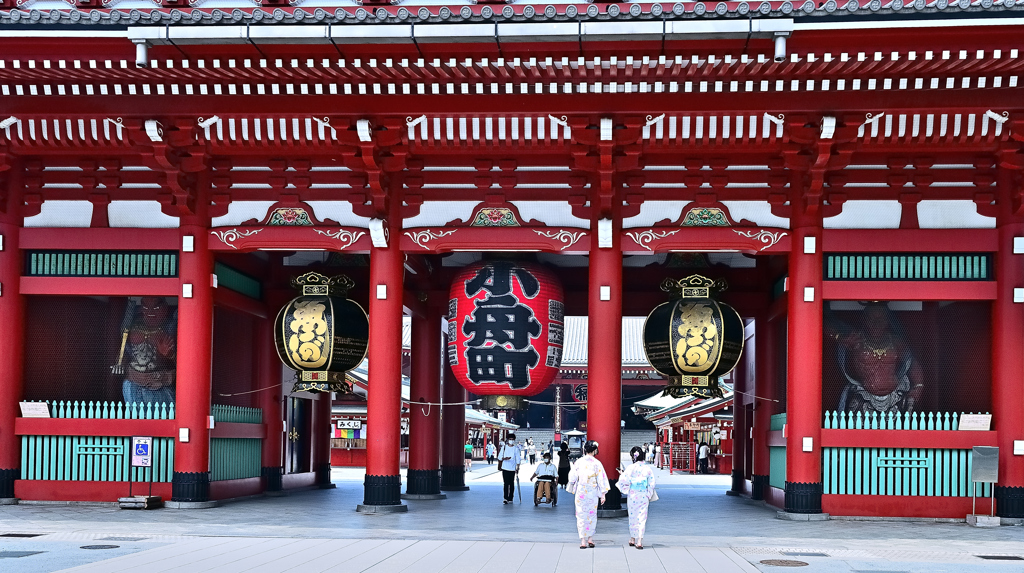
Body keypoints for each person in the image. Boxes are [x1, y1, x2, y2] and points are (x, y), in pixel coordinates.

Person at [830, 302, 925, 414]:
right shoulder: (856, 340)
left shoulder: (896, 342)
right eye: (872, 319)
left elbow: (911, 363)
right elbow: (824, 323)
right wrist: (838, 336)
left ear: (887, 320)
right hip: (864, 396)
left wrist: (919, 385)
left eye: (882, 319)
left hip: (894, 397)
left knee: (895, 431)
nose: (877, 324)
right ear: (864, 320)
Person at [118, 297, 177, 404]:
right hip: (133, 380)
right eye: (145, 307)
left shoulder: (170, 329)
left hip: (161, 383)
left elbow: (186, 365)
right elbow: (124, 351)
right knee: (136, 418)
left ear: (164, 309)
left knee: (164, 417)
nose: (150, 312)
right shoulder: (131, 328)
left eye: (156, 308)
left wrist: (169, 354)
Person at [568, 440, 610, 549]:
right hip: (592, 491)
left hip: (581, 491)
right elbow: (601, 479)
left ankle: (583, 540)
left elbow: (572, 477)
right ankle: (590, 538)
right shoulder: (597, 463)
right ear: (595, 450)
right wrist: (603, 494)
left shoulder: (578, 462)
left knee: (581, 515)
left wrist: (573, 483)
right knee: (592, 514)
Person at [619, 446, 656, 550]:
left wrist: (627, 489)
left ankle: (632, 538)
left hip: (633, 494)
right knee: (642, 517)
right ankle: (639, 540)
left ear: (633, 456)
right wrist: (648, 494)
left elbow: (623, 480)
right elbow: (652, 483)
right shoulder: (647, 468)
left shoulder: (631, 468)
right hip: (643, 494)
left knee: (633, 516)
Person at [498, 433, 521, 504]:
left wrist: (517, 468)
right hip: (505, 467)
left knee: (511, 483)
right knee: (505, 483)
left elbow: (518, 459)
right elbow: (499, 457)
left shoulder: (516, 449)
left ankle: (510, 497)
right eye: (510, 439)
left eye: (512, 439)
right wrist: (504, 458)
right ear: (507, 440)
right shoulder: (504, 447)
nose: (511, 441)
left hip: (512, 468)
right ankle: (505, 497)